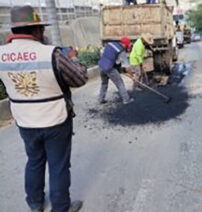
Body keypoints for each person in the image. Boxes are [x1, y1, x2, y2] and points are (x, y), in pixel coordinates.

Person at [0, 6, 87, 212]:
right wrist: (74, 59)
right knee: (58, 166)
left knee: (34, 161)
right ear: (37, 30)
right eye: (42, 30)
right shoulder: (51, 53)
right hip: (55, 119)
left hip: (25, 121)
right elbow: (80, 78)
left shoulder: (1, 55)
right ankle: (60, 207)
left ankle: (35, 203)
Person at [98, 37, 134, 104]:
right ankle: (126, 100)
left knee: (104, 83)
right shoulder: (121, 51)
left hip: (101, 66)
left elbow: (102, 53)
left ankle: (101, 99)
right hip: (109, 68)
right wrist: (132, 76)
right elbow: (127, 66)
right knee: (120, 83)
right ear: (126, 44)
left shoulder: (111, 44)